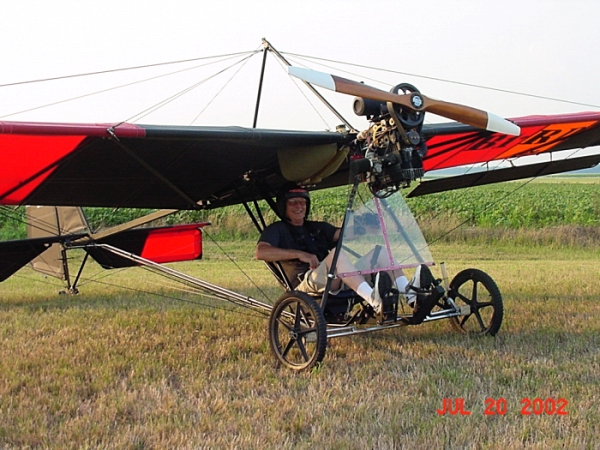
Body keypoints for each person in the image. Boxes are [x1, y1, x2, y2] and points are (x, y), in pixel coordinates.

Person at [255, 186, 413, 315]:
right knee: (337, 256)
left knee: (381, 252)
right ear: (284, 207)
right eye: (293, 203)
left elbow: (343, 235)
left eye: (302, 202)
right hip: (306, 284)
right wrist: (299, 254)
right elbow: (261, 252)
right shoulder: (277, 229)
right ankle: (374, 300)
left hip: (334, 278)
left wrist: (364, 227)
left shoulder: (316, 227)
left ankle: (410, 295)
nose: (299, 206)